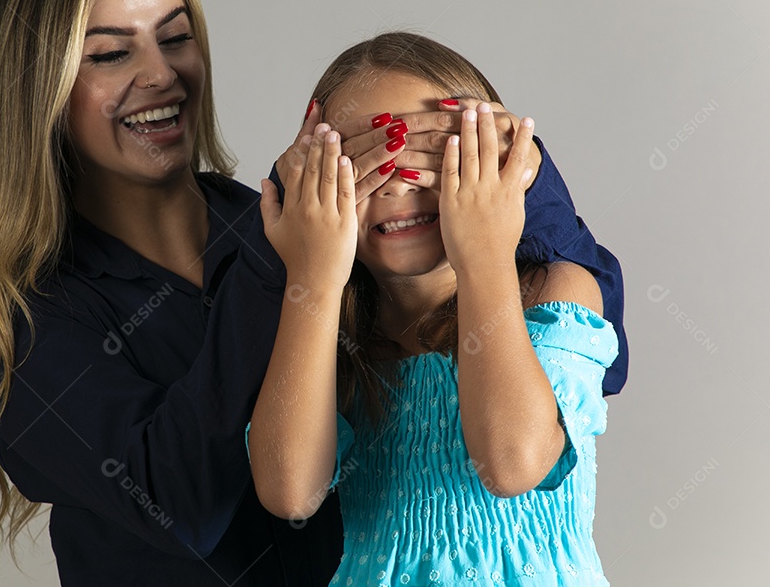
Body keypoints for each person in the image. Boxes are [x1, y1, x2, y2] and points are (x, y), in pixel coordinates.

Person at [0, 0, 626, 585]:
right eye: (110, 53)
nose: (160, 74)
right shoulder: (26, 318)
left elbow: (590, 333)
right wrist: (296, 265)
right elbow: (181, 500)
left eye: (175, 37)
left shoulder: (314, 239)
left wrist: (499, 162)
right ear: (40, 89)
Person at [248, 32, 619, 585]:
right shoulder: (338, 336)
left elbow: (512, 463)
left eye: (433, 155)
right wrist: (314, 275)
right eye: (364, 163)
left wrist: (485, 253)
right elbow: (291, 493)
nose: (398, 185)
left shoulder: (554, 292)